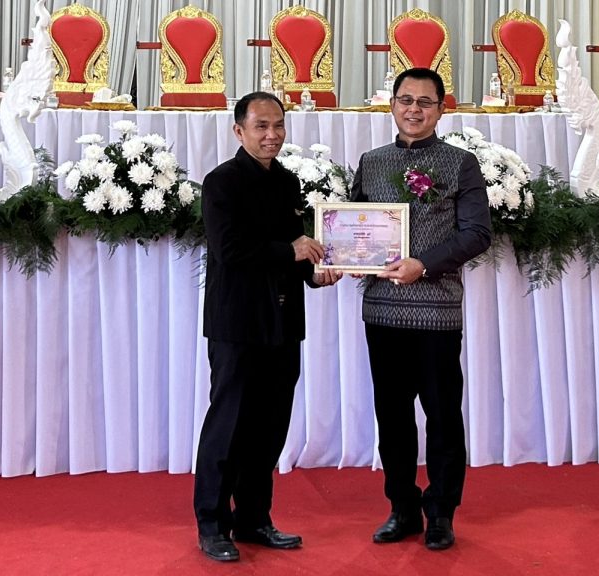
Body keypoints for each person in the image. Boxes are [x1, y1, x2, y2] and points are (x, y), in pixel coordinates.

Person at [194, 91, 342, 562]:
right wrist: (291, 251)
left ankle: (254, 518)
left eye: (278, 125)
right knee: (229, 424)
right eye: (261, 126)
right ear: (239, 131)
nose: (272, 135)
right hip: (237, 321)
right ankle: (212, 525)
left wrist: (316, 273)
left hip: (282, 321)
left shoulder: (287, 180)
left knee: (270, 426)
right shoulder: (221, 182)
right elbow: (229, 250)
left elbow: (294, 246)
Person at [350, 68, 491, 551]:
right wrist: (340, 257)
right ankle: (402, 508)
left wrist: (423, 265)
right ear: (391, 105)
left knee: (443, 415)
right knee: (392, 416)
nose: (414, 109)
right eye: (405, 100)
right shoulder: (371, 162)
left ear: (441, 109)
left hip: (436, 311)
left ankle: (442, 512)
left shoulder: (460, 163)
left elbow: (477, 233)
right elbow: (355, 226)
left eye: (425, 102)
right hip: (382, 310)